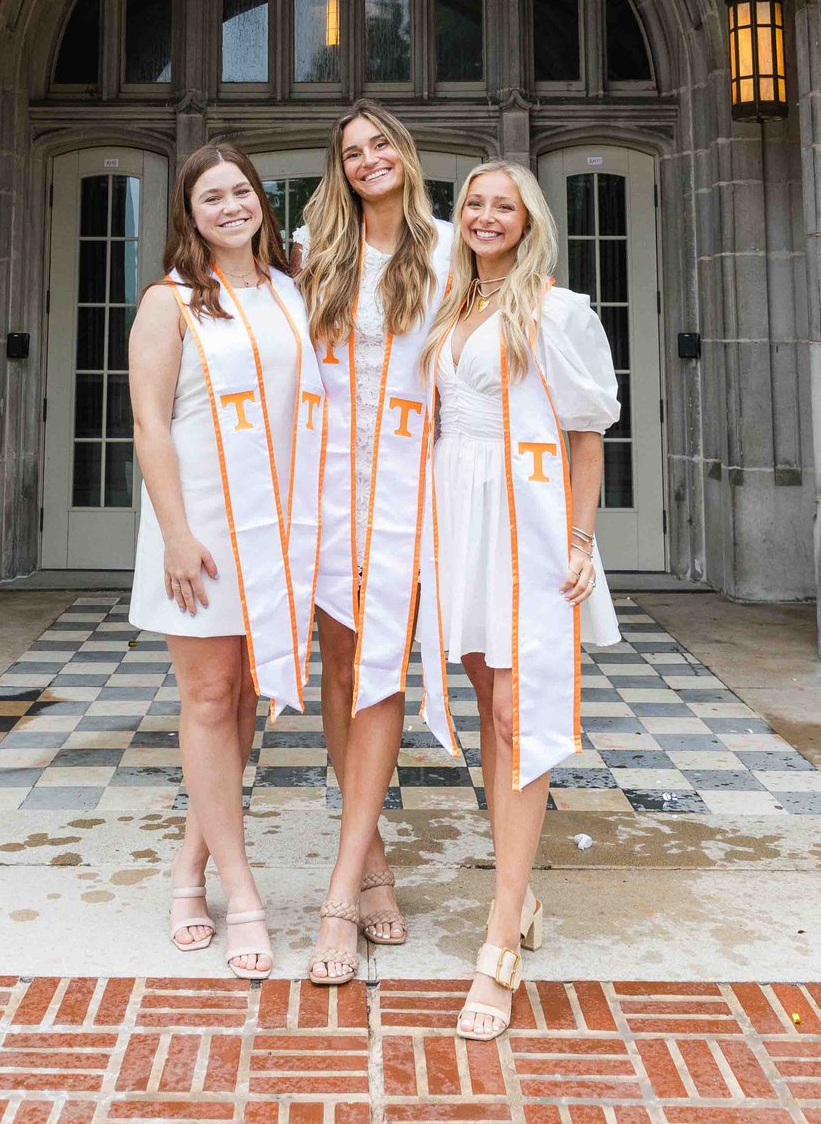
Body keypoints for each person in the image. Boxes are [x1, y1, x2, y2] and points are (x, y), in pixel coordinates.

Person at [416, 161, 622, 1039]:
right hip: (455, 516)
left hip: (525, 521)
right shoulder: (447, 304)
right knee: (485, 698)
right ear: (457, 217)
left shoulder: (557, 310)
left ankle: (500, 938)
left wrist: (579, 541)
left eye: (503, 206)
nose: (486, 217)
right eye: (473, 204)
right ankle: (521, 890)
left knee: (517, 715)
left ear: (529, 219)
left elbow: (585, 437)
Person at [128, 143, 325, 977]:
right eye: (211, 198)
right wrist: (174, 532)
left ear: (261, 199)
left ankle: (189, 869)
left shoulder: (292, 289)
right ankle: (241, 893)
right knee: (208, 697)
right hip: (199, 529)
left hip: (274, 531)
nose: (230, 207)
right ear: (190, 213)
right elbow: (149, 424)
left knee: (245, 700)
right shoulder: (168, 302)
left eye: (240, 191)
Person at [292, 105, 453, 983]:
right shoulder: (318, 250)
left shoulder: (447, 247)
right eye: (351, 152)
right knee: (343, 672)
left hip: (409, 488)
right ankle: (374, 865)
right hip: (326, 489)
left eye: (379, 143)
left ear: (405, 151)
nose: (367, 159)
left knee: (383, 671)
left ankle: (338, 896)